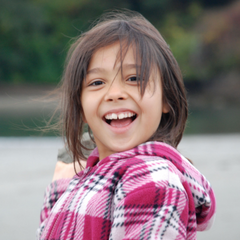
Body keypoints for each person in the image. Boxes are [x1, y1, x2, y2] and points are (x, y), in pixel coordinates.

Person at [37, 11, 216, 240]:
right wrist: (62, 184)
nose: (115, 94)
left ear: (166, 99)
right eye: (97, 82)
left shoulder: (152, 179)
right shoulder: (81, 176)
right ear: (80, 107)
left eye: (134, 78)